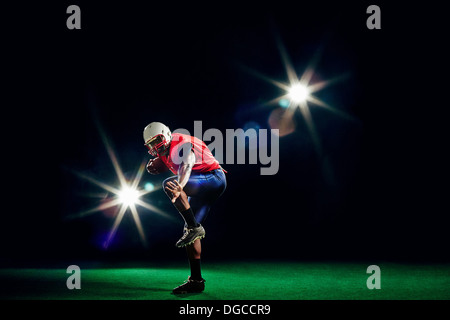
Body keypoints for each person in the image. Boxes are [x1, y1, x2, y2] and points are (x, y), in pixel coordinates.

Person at [143, 122, 227, 294]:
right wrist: (156, 165)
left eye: (157, 140)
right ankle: (196, 280)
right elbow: (172, 162)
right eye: (151, 144)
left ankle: (195, 228)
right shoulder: (164, 152)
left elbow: (187, 164)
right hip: (202, 184)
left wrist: (180, 185)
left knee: (169, 184)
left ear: (166, 135)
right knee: (189, 230)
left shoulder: (180, 142)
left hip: (213, 178)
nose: (155, 146)